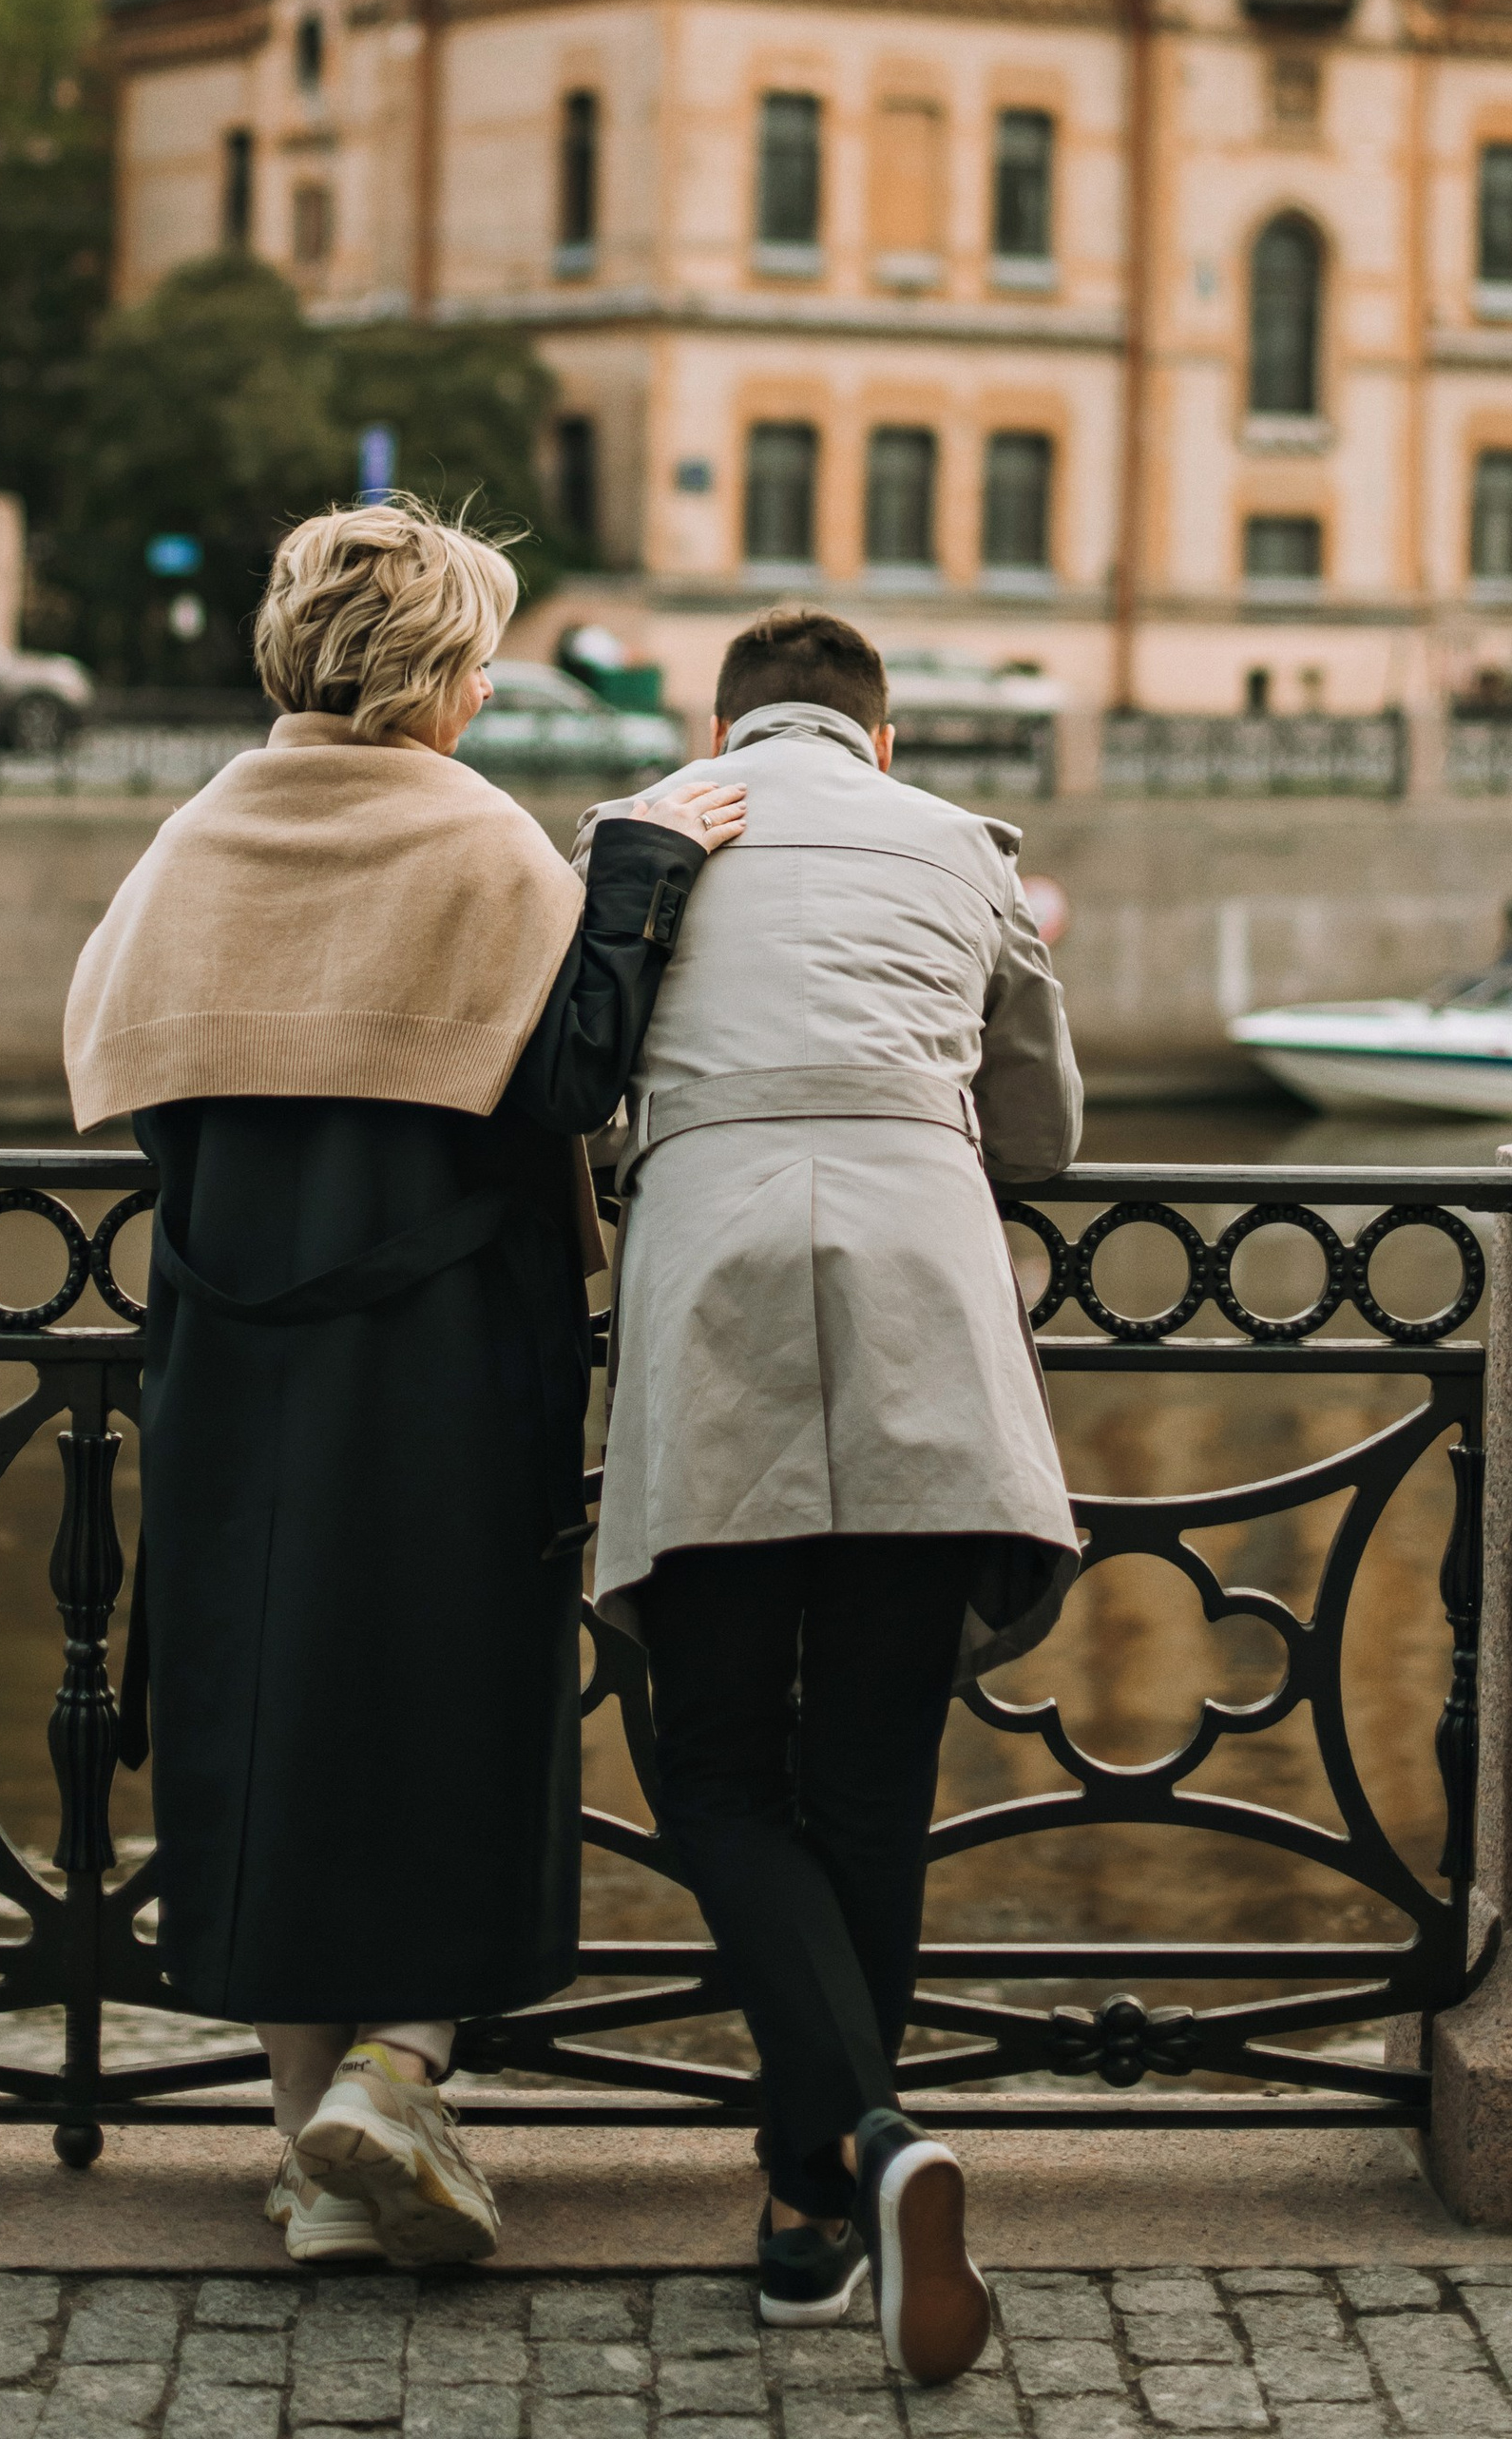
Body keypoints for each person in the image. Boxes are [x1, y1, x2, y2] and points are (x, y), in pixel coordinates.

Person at [64, 502, 742, 2266]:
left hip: (227, 1361)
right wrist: (647, 868)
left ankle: (312, 2167)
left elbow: (154, 1092)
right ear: (439, 676)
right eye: (480, 656)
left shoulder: (194, 840)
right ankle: (398, 2067)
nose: (490, 683)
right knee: (449, 1706)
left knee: (267, 1715)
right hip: (448, 1365)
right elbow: (568, 1081)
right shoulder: (481, 838)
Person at [582, 605, 1082, 2384]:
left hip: (713, 1295)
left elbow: (578, 1075)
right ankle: (825, 2207)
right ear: (877, 741)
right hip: (922, 1310)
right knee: (870, 1780)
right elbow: (1040, 1133)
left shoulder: (644, 826)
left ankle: (851, 2161)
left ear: (721, 732)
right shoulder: (961, 849)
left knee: (711, 1767)